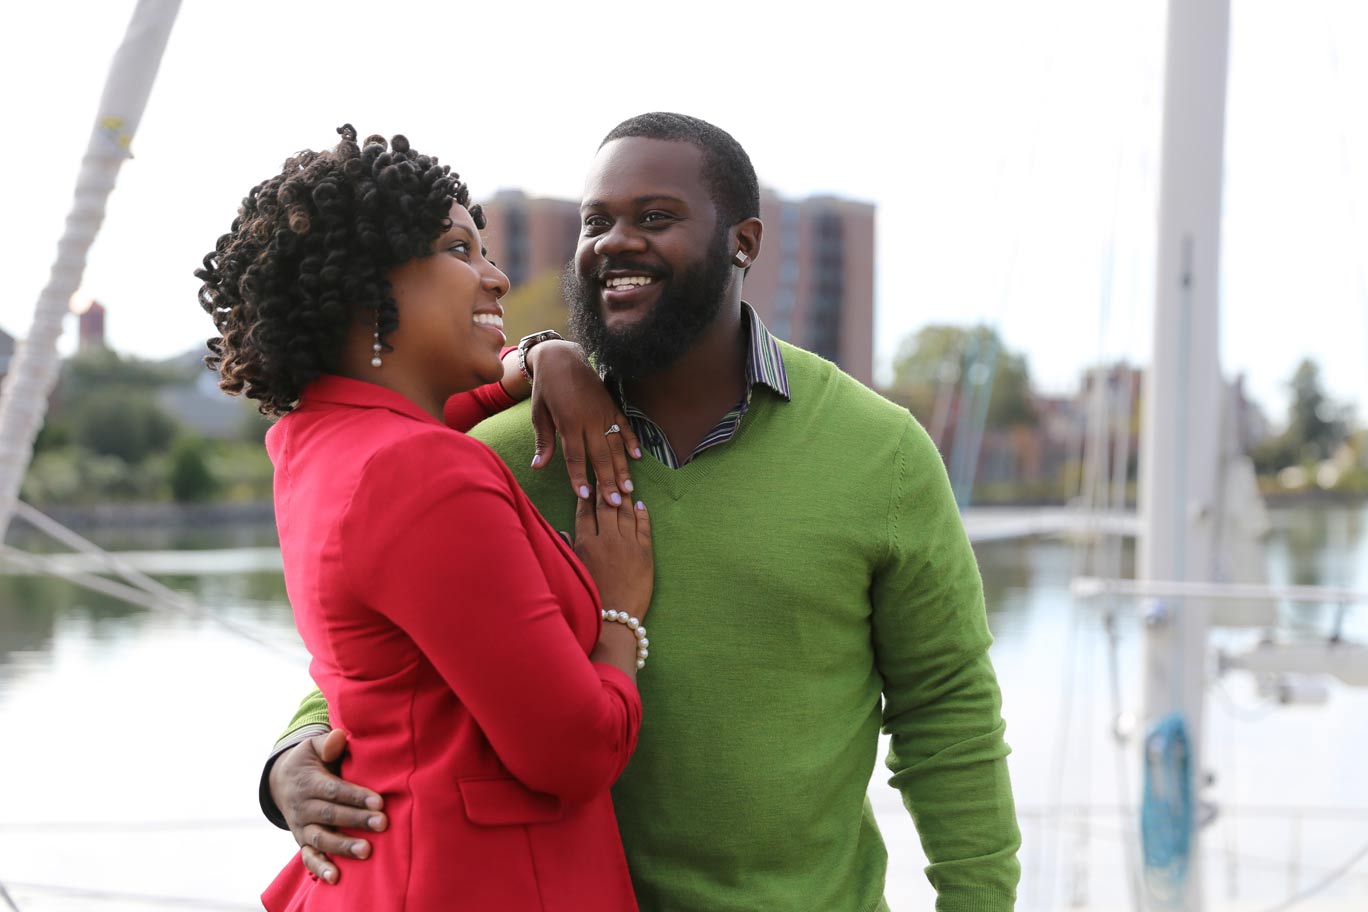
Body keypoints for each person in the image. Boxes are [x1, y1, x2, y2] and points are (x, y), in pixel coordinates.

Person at [263, 114, 1022, 911]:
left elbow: (948, 711)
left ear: (744, 242)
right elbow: (399, 663)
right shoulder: (504, 452)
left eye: (655, 218)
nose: (614, 242)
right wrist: (291, 754)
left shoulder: (881, 453)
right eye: (596, 222)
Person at [197, 124, 655, 910]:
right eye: (458, 249)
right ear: (362, 288)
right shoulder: (419, 472)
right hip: (466, 883)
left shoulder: (319, 441)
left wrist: (548, 356)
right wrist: (619, 613)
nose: (498, 278)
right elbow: (574, 754)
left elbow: (440, 420)